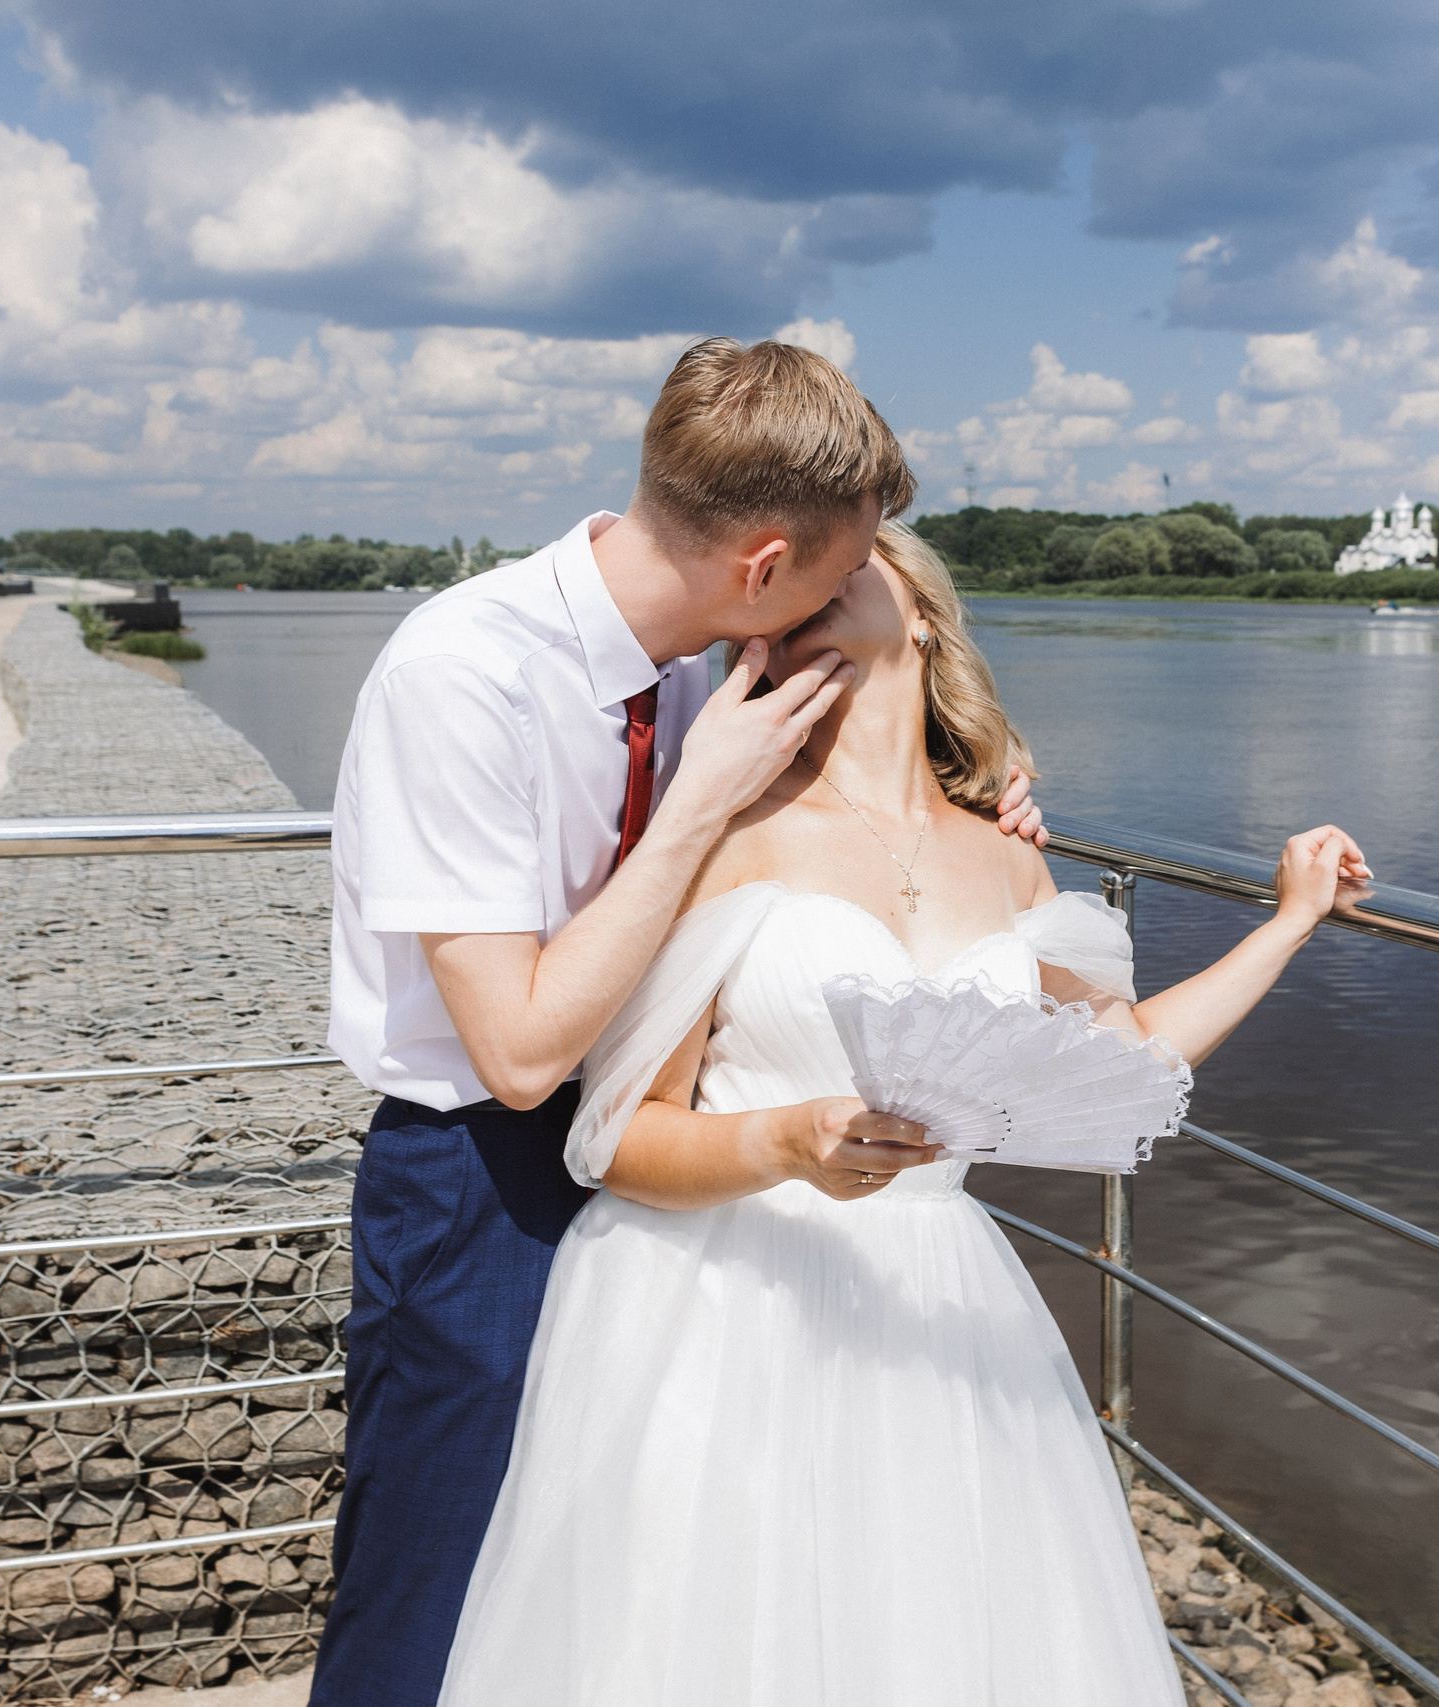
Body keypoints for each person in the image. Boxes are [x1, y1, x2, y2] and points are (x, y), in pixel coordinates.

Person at [441, 523, 1371, 1704]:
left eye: (854, 556)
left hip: (936, 1306)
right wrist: (781, 1142)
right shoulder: (723, 832)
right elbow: (616, 1139)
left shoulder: (1011, 860)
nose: (810, 577)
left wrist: (1287, 922)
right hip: (718, 1307)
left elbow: (1125, 1062)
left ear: (922, 613)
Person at [313, 340, 1049, 1706]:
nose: (843, 610)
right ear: (764, 562)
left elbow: (840, 807)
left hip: (680, 1176)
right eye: (838, 575)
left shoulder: (717, 662)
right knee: (437, 1586)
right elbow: (523, 1050)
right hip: (481, 1170)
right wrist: (701, 797)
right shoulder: (463, 674)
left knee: (621, 1594)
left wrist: (988, 800)